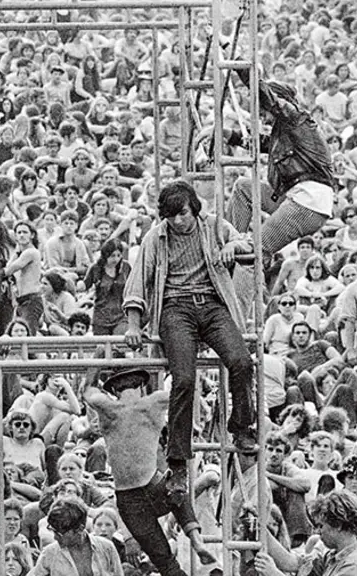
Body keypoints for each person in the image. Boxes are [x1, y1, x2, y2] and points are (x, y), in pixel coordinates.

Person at [122, 181, 256, 499]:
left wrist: (233, 248)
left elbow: (246, 243)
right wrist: (133, 324)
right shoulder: (157, 237)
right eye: (171, 216)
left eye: (182, 214)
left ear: (193, 208)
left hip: (211, 304)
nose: (178, 221)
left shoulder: (212, 226)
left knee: (241, 361)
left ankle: (241, 427)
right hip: (175, 308)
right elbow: (139, 278)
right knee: (183, 378)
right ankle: (179, 461)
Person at [83, 367, 216, 576]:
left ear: (115, 391)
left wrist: (97, 364)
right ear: (141, 387)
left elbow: (88, 391)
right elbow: (187, 391)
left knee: (166, 562)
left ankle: (197, 540)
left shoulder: (109, 409)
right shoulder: (152, 403)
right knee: (176, 491)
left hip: (129, 494)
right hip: (149, 484)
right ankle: (196, 538)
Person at [227, 67, 335, 264]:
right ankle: (228, 240)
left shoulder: (297, 119)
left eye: (261, 107)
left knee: (254, 252)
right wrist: (230, 136)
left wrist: (242, 70)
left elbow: (267, 96)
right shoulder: (286, 132)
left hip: (308, 202)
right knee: (243, 188)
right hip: (297, 197)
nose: (259, 114)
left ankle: (240, 286)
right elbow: (265, 144)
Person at [258, 489, 357, 576]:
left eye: (321, 526)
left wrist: (274, 574)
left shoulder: (353, 563)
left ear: (338, 525)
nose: (317, 532)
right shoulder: (333, 555)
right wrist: (260, 527)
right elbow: (292, 563)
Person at [30, 497, 123, 576]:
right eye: (54, 531)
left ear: (80, 529)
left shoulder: (106, 547)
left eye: (60, 534)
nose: (55, 537)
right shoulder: (50, 553)